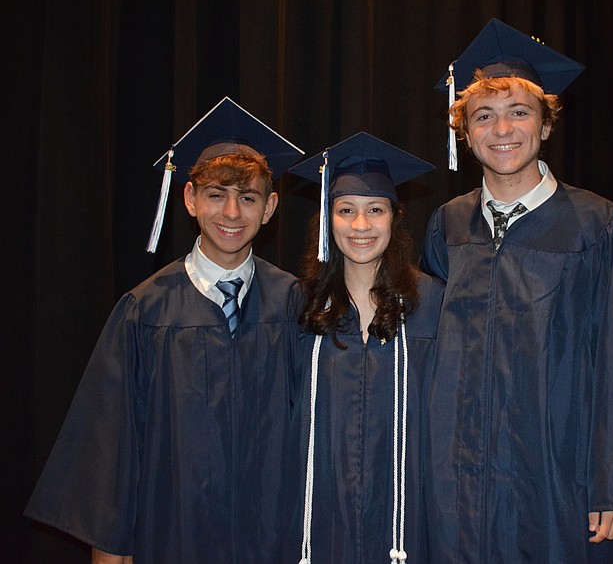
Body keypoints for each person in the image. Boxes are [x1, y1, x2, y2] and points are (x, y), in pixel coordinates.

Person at [420, 19, 613, 562]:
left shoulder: (598, 226)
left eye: (520, 112)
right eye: (483, 116)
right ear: (465, 133)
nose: (502, 129)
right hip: (462, 472)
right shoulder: (448, 225)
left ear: (545, 124)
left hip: (562, 464)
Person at [24, 97, 304, 563]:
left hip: (274, 540)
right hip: (173, 538)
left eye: (248, 197)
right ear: (190, 199)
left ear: (270, 207)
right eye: (216, 195)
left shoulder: (294, 305)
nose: (232, 213)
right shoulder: (145, 311)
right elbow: (109, 452)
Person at [286, 132, 443, 564]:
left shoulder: (434, 305)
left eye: (375, 210)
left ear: (395, 218)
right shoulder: (299, 307)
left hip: (408, 520)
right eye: (345, 210)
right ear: (326, 219)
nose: (360, 226)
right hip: (319, 519)